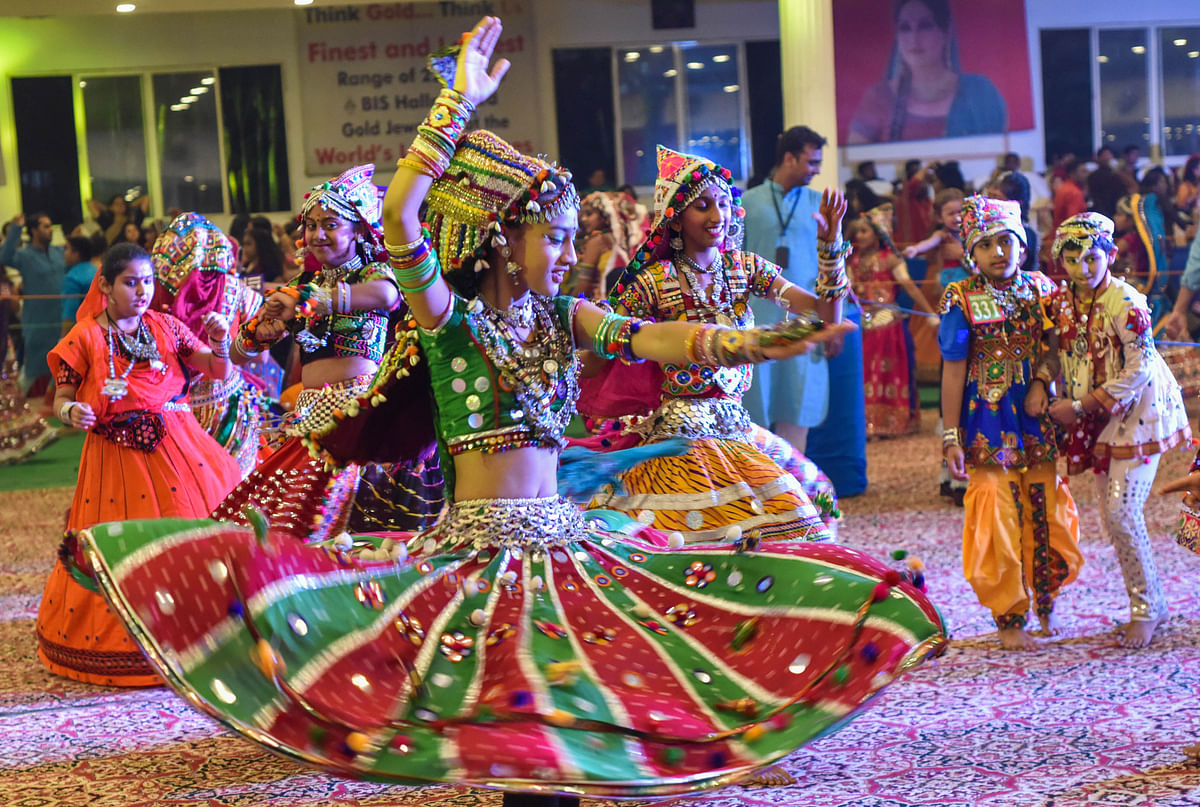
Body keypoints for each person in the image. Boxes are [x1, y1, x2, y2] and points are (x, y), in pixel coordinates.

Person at [76, 19, 946, 801]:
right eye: (556, 237)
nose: (571, 253)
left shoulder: (566, 317)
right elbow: (400, 211)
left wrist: (767, 344)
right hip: (473, 554)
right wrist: (456, 103)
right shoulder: (446, 320)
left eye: (571, 237)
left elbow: (659, 340)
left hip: (564, 542)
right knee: (496, 729)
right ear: (503, 237)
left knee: (592, 716)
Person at [598, 143, 850, 543]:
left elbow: (825, 314)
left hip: (736, 425)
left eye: (723, 204)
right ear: (676, 220)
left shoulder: (743, 268)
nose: (718, 216)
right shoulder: (653, 281)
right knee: (699, 533)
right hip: (677, 437)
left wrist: (830, 247)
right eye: (702, 206)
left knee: (813, 498)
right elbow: (606, 341)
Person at [35, 242, 242, 685]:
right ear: (106, 286)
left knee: (188, 533)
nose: (142, 291)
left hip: (178, 448)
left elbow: (216, 370)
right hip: (116, 458)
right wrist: (73, 412)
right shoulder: (85, 337)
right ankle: (132, 645)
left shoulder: (167, 326)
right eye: (131, 282)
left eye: (148, 281)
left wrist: (222, 343)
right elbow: (61, 399)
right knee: (124, 546)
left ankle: (202, 636)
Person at [214, 163, 443, 540]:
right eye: (312, 225)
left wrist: (315, 301)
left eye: (331, 225)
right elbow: (238, 356)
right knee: (283, 525)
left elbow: (386, 297)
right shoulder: (302, 284)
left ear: (357, 230)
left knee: (351, 529)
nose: (318, 234)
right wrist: (260, 329)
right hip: (309, 418)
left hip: (359, 418)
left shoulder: (371, 272)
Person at [939, 195, 1083, 651]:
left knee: (1043, 506)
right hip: (985, 418)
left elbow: (1054, 348)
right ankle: (1008, 615)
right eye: (986, 245)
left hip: (1035, 415)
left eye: (1007, 241)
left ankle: (1045, 602)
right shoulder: (959, 297)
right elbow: (953, 369)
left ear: (1022, 244)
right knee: (995, 507)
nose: (998, 252)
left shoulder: (1044, 290)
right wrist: (950, 436)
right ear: (970, 253)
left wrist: (1042, 380)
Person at [1045, 213, 1189, 648]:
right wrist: (1046, 386)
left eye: (1092, 257)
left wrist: (1082, 406)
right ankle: (1151, 602)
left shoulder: (1126, 302)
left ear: (1109, 255)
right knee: (1113, 516)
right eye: (1072, 259)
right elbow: (1052, 353)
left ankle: (1147, 608)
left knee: (1121, 512)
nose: (1082, 268)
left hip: (1138, 410)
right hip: (1099, 412)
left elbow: (1141, 366)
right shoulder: (1061, 301)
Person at [148, 213, 269, 477]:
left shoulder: (152, 295)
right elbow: (261, 358)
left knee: (186, 494)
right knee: (234, 489)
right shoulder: (240, 291)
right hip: (227, 407)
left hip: (171, 409)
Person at [847, 0, 1006, 144]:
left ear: (945, 33)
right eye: (905, 28)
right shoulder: (878, 97)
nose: (914, 38)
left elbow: (997, 152)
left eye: (925, 26)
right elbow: (856, 161)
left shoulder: (980, 92)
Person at [849, 207, 935, 437]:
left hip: (888, 326)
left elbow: (909, 287)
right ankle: (870, 425)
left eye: (864, 231)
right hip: (863, 324)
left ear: (878, 234)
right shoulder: (854, 261)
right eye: (858, 232)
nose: (859, 236)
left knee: (888, 373)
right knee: (866, 374)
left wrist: (929, 313)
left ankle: (892, 423)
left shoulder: (891, 260)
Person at [1, 213, 65, 395]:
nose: (50, 229)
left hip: (61, 319)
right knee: (33, 366)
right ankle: (14, 402)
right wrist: (15, 229)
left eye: (50, 225)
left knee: (62, 362)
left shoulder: (59, 252)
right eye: (45, 226)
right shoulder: (24, 255)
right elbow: (4, 257)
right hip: (38, 320)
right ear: (34, 230)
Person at [0, 270, 57, 463]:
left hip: (2, 348)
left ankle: (23, 440)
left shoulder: (3, 286)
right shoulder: (5, 286)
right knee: (9, 402)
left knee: (9, 401)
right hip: (4, 347)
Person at [569, 191, 644, 299]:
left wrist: (565, 305)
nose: (583, 219)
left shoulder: (597, 241)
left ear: (604, 215)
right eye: (583, 214)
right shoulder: (620, 238)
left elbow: (584, 284)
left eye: (589, 214)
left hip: (599, 303)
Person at [60, 235, 97, 331]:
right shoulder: (98, 272)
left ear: (76, 254)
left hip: (82, 333)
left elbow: (70, 314)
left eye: (67, 249)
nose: (64, 253)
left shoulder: (73, 278)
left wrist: (63, 340)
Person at [1052, 158, 1088, 234]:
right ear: (1072, 173)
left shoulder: (1064, 188)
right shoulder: (1074, 192)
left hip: (1059, 234)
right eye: (1083, 171)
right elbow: (1073, 221)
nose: (1086, 174)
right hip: (1068, 237)